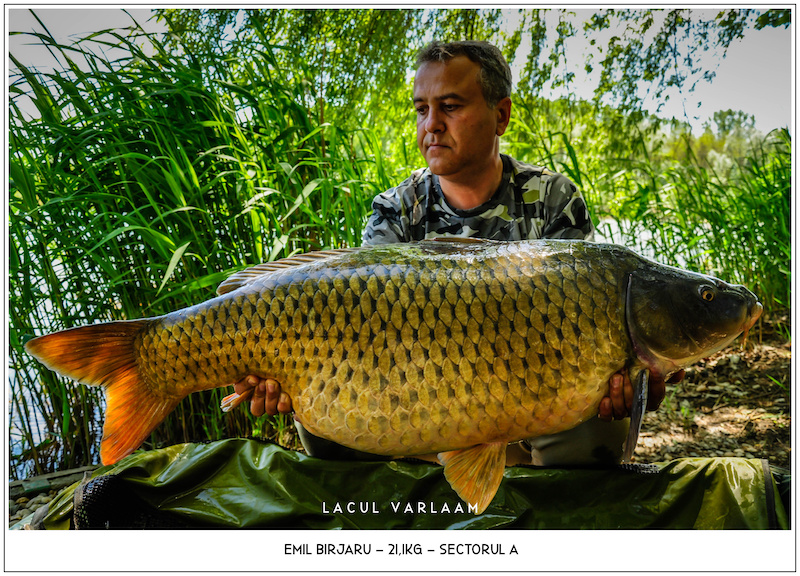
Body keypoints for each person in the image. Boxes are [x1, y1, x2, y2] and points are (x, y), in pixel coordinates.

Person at [230, 40, 682, 466]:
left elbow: (591, 324)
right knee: (323, 424)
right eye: (422, 110)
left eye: (450, 106)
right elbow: (359, 319)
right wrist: (285, 377)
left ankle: (545, 521)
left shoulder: (551, 198)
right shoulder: (397, 208)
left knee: (598, 421)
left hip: (529, 404)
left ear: (500, 116)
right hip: (412, 402)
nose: (432, 125)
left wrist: (641, 383)